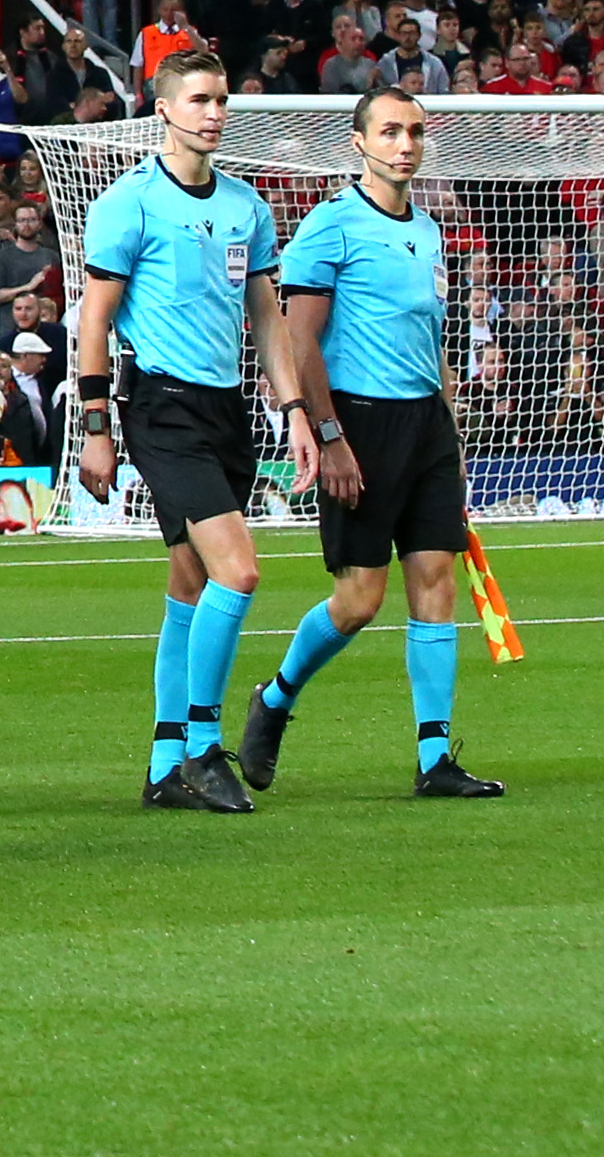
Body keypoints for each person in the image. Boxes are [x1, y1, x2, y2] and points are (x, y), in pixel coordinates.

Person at [242, 86, 503, 799]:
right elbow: (299, 338)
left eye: (414, 131)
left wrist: (450, 428)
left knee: (435, 582)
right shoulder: (330, 226)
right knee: (358, 600)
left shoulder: (427, 229)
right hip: (357, 422)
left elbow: (430, 341)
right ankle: (273, 698)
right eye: (389, 131)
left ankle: (433, 759)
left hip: (424, 426)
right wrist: (327, 435)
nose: (404, 144)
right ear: (357, 142)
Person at [72, 49, 280, 812]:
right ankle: (201, 744)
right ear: (162, 108)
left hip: (228, 409)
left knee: (189, 579)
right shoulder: (128, 202)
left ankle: (163, 766)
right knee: (239, 571)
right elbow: (93, 319)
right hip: (159, 406)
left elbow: (266, 316)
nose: (214, 113)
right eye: (198, 100)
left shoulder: (244, 206)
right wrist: (95, 426)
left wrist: (293, 413)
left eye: (221, 100)